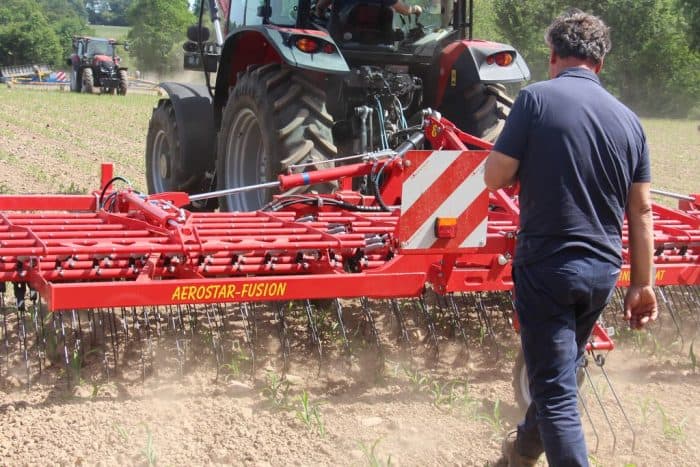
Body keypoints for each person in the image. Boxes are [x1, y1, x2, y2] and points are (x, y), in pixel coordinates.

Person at [483, 9, 658, 467]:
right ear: (600, 63)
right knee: (558, 373)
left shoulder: (535, 99)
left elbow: (495, 176)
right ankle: (518, 455)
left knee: (557, 394)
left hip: (548, 267)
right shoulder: (629, 121)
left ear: (553, 56)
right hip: (603, 270)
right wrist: (643, 284)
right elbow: (640, 210)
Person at [314, 0, 422, 19]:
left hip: (342, 40)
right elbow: (404, 10)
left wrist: (320, 14)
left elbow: (320, 7)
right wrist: (416, 9)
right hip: (379, 44)